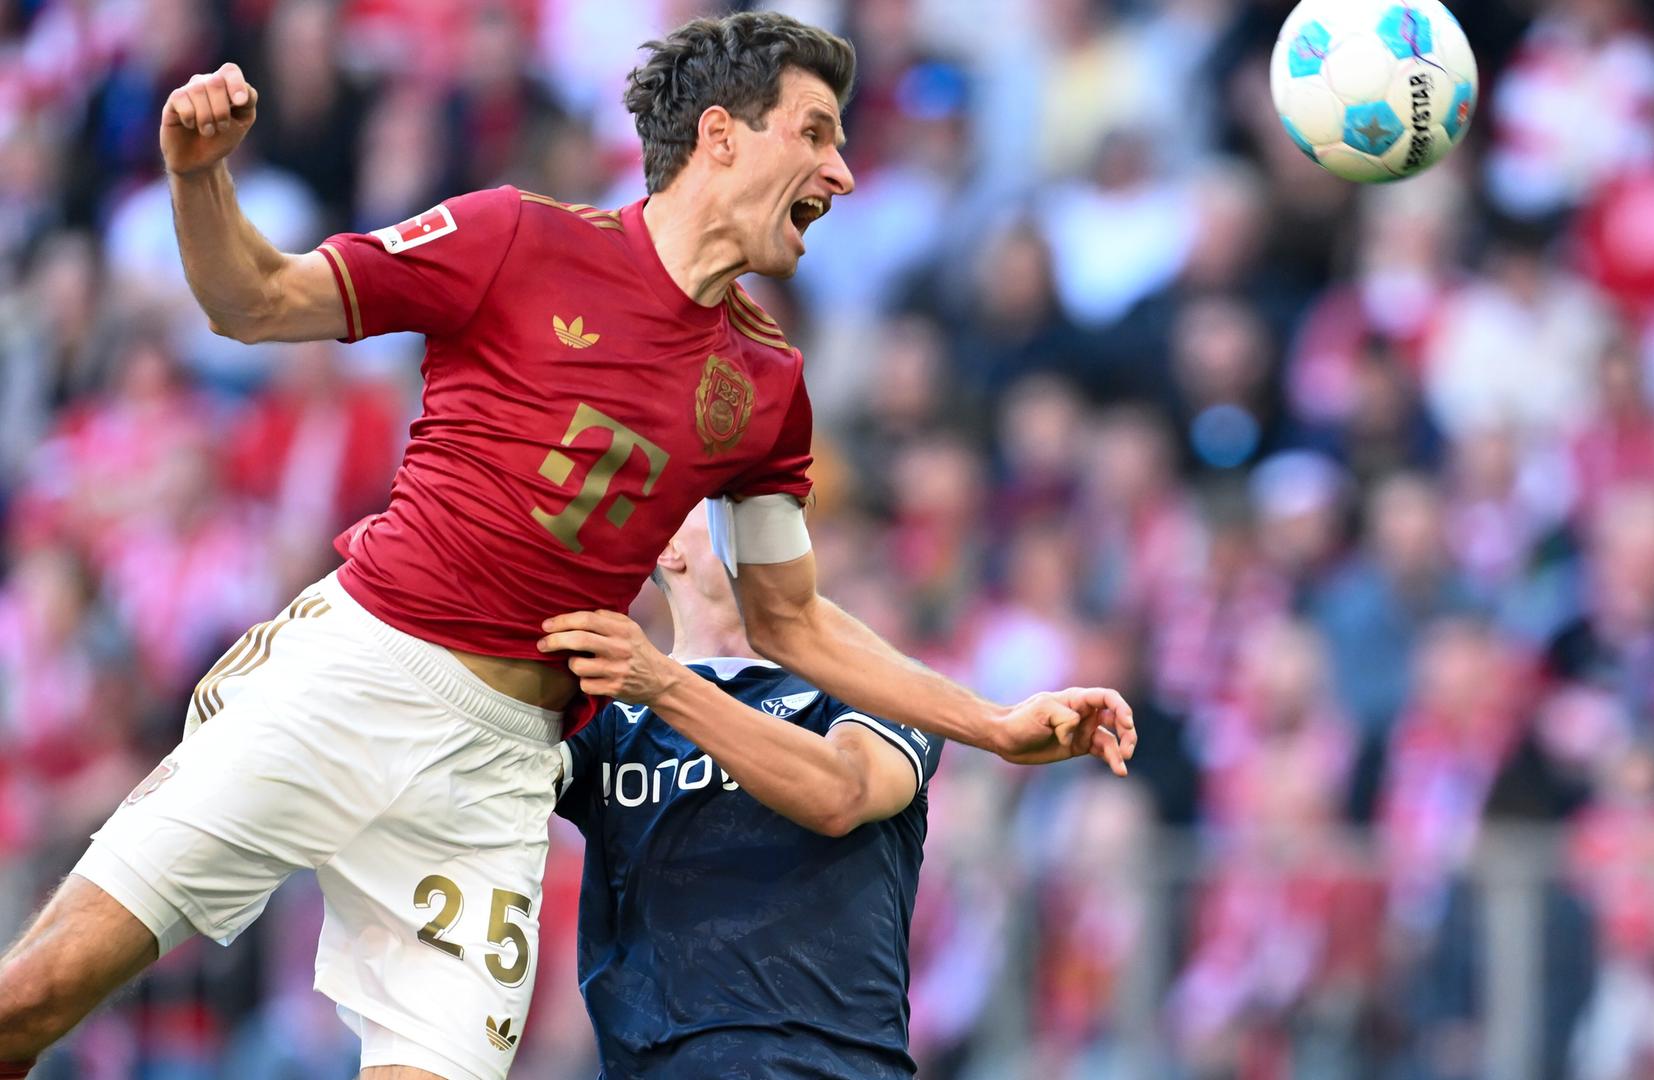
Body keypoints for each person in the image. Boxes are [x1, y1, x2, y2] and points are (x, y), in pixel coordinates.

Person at [0, 13, 1135, 1080]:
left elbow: (790, 620)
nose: (842, 173)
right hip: (355, 672)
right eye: (819, 134)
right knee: (34, 996)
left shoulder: (768, 385)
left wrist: (990, 722)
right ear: (722, 136)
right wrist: (200, 178)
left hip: (497, 770)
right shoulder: (512, 236)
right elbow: (256, 302)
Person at [552, 504, 943, 1077]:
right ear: (665, 546)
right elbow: (477, 785)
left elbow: (843, 792)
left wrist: (665, 685)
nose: (766, 514)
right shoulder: (609, 717)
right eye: (730, 499)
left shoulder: (879, 682)